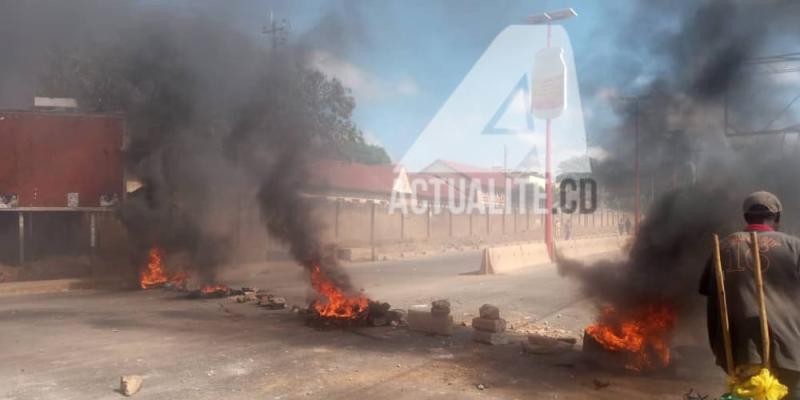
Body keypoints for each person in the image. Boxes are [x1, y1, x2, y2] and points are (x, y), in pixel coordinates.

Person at [699, 191, 800, 398]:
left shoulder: (723, 246)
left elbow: (707, 292)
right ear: (777, 217)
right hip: (790, 350)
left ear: (746, 217)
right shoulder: (794, 246)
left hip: (739, 351)